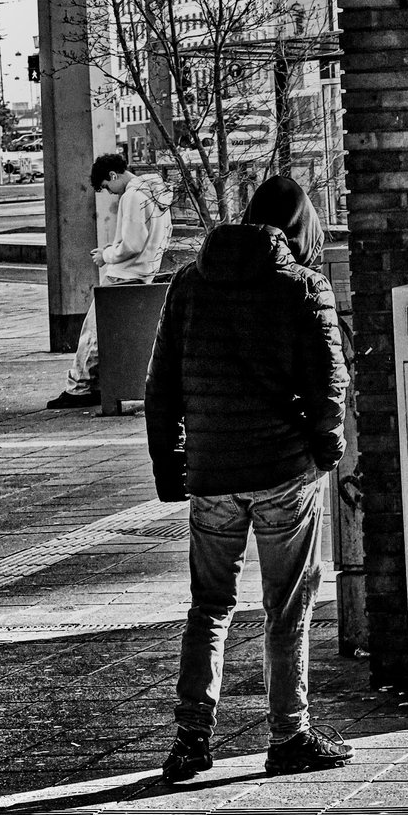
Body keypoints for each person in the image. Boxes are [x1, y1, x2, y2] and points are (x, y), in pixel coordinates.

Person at [145, 175, 352, 782]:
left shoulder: (189, 281)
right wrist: (325, 444)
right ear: (300, 225)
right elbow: (327, 383)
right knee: (287, 605)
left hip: (213, 473)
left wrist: (170, 464)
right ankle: (289, 734)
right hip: (284, 470)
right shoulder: (303, 286)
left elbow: (161, 386)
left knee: (209, 605)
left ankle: (191, 739)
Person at [46, 153, 174, 410]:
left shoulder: (132, 196)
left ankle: (80, 388)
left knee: (93, 333)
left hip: (123, 276)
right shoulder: (156, 194)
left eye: (106, 187)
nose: (111, 193)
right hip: (144, 274)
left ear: (113, 176)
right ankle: (96, 385)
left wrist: (106, 255)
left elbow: (132, 244)